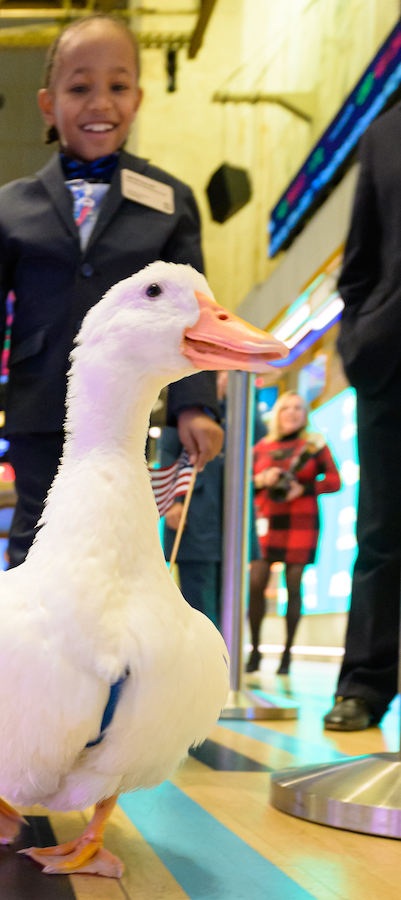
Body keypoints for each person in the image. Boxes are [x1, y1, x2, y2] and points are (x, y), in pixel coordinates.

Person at [0, 14, 223, 570]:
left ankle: (114, 662)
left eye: (118, 87)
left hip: (130, 413)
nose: (101, 103)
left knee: (121, 550)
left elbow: (194, 319)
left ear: (139, 98)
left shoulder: (170, 202)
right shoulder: (9, 207)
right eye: (80, 88)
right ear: (48, 104)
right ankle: (34, 660)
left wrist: (194, 405)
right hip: (40, 407)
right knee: (38, 546)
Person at [324, 104, 401, 730]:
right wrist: (359, 339)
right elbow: (360, 261)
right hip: (392, 361)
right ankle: (365, 685)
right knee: (381, 532)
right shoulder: (384, 133)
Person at [161, 372, 267, 628]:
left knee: (230, 598)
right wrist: (171, 503)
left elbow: (258, 432)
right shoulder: (189, 408)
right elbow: (168, 452)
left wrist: (244, 392)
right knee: (197, 600)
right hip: (195, 515)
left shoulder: (238, 413)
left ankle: (225, 660)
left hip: (232, 515)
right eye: (221, 374)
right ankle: (202, 664)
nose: (225, 378)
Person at [248, 392, 341, 676]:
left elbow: (335, 481)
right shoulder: (261, 447)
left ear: (305, 413)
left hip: (302, 521)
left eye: (298, 408)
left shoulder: (315, 445)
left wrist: (306, 488)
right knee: (256, 585)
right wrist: (261, 480)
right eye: (286, 407)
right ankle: (254, 651)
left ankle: (287, 655)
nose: (292, 413)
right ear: (277, 413)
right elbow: (242, 484)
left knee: (294, 585)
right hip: (267, 520)